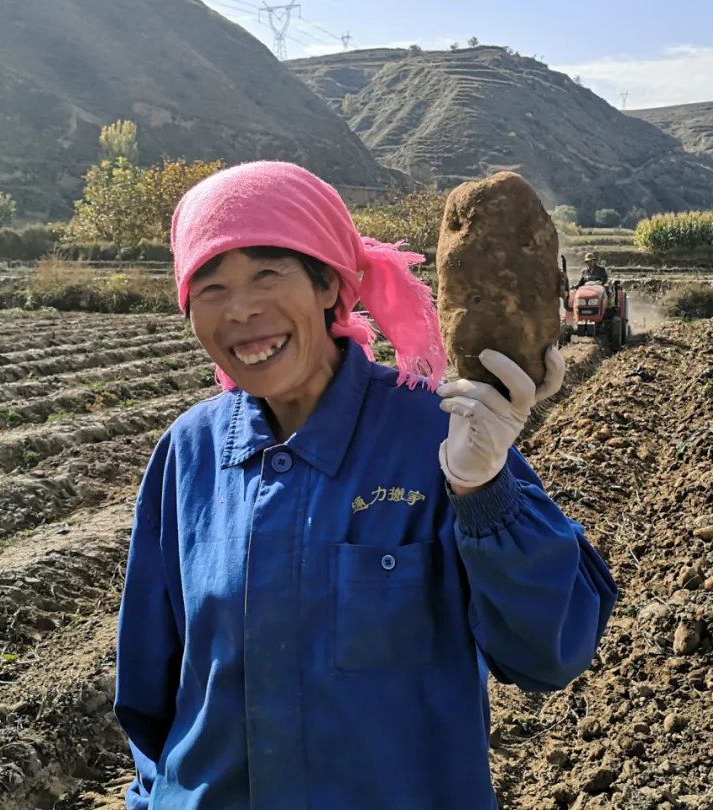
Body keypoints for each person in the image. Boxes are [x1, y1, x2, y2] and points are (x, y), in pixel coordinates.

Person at [112, 160, 618, 810]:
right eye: (209, 287)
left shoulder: (435, 434)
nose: (241, 309)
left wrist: (484, 489)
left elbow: (551, 652)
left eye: (268, 273)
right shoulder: (188, 455)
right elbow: (150, 700)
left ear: (329, 283)